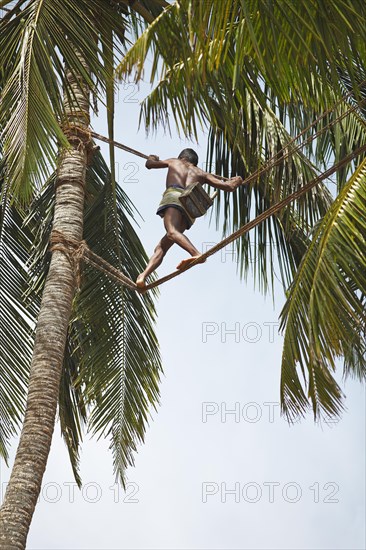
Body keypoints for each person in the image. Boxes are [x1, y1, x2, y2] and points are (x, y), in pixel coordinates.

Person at [136, 148, 243, 288]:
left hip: (175, 196)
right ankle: (142, 277)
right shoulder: (202, 173)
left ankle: (196, 253)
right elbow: (228, 187)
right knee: (162, 246)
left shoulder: (175, 161)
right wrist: (237, 181)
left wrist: (152, 157)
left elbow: (149, 165)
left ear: (182, 158)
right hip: (190, 208)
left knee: (171, 232)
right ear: (195, 163)